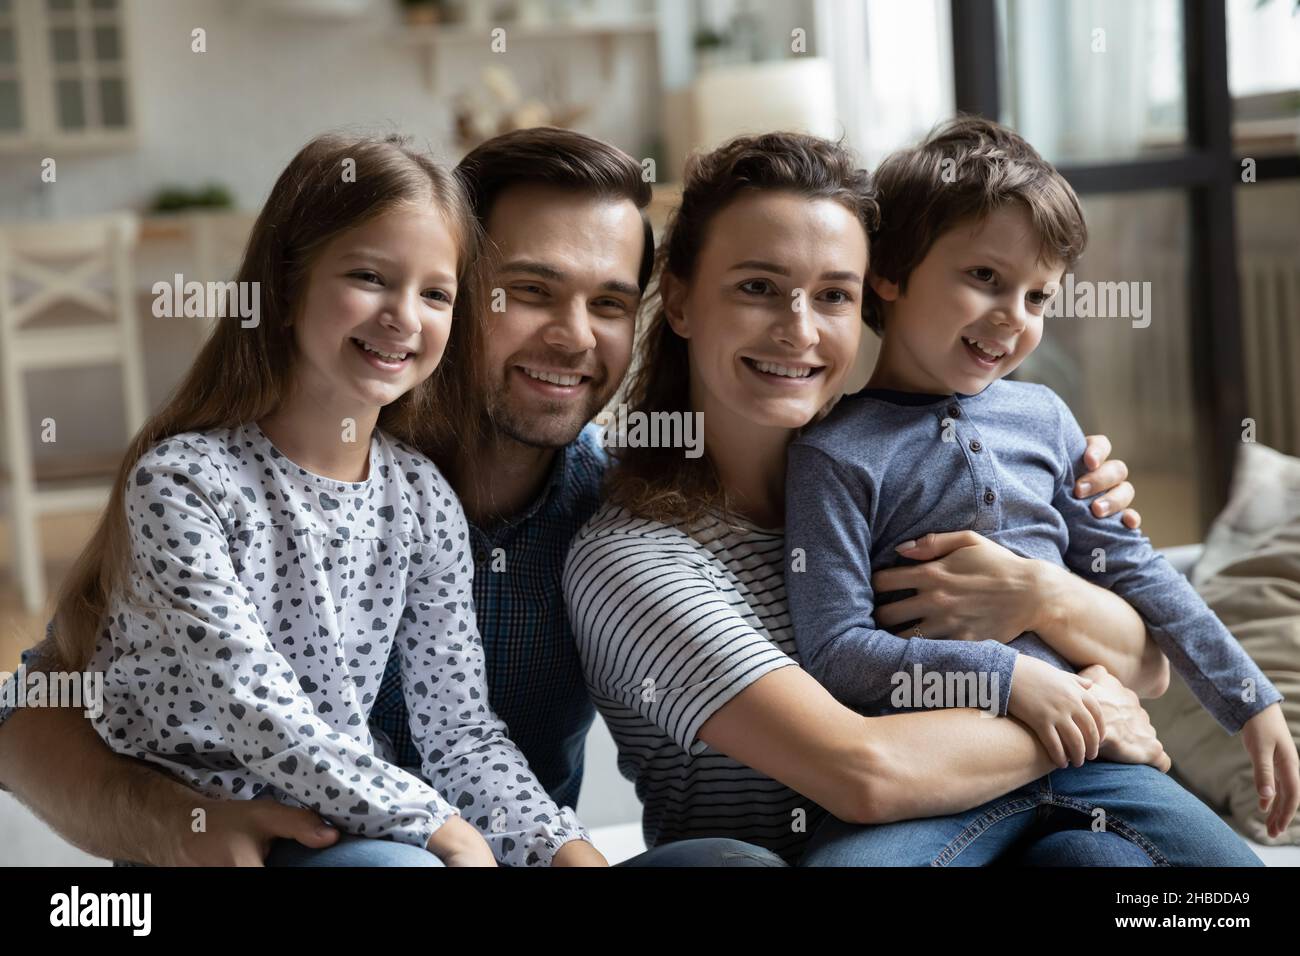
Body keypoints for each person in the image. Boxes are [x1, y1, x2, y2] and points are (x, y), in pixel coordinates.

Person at [564, 130, 1172, 866]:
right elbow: (864, 772)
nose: (799, 330)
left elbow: (1147, 668)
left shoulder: (889, 482)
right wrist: (1086, 714)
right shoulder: (633, 562)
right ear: (683, 301)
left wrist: (1042, 592)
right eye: (757, 287)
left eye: (833, 295)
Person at [782, 116, 1297, 862]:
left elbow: (1137, 568)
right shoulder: (832, 455)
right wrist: (1011, 679)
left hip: (1096, 762)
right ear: (888, 272)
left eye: (1037, 297)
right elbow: (837, 652)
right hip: (937, 772)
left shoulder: (1047, 418)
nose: (1011, 318)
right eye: (984, 278)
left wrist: (1250, 699)